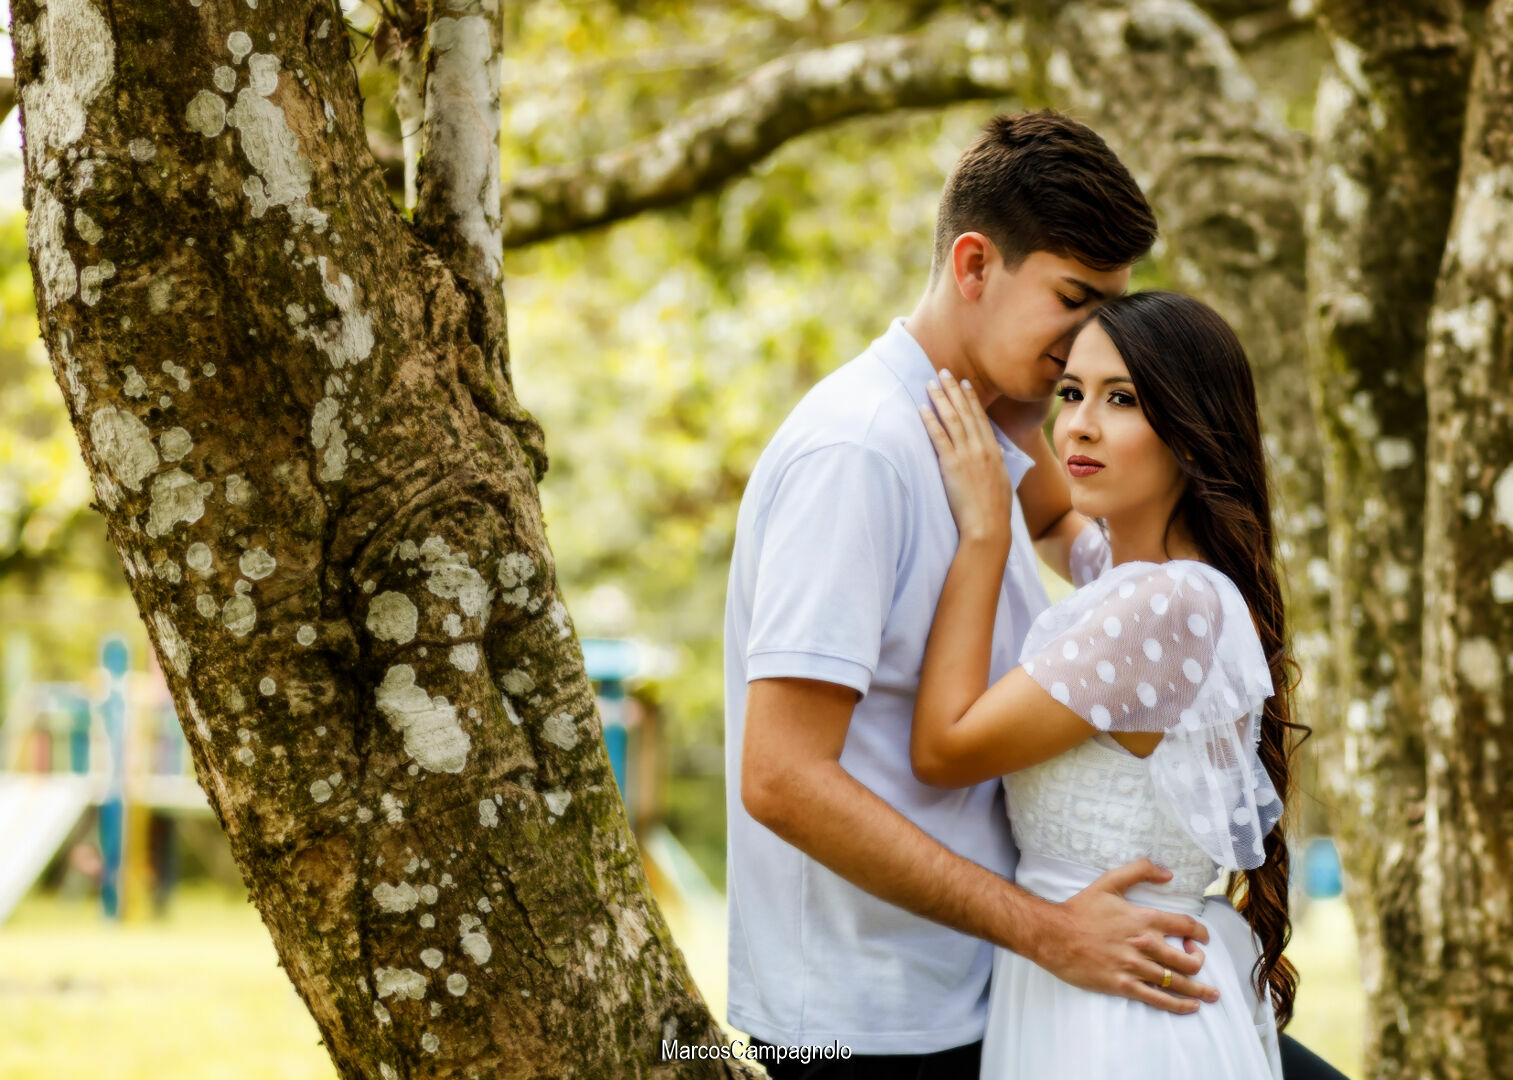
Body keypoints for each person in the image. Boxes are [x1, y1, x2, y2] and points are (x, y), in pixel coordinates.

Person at [724, 110, 1347, 1079]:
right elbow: (780, 777)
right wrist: (1042, 929)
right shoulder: (860, 452)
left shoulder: (990, 436)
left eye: (1111, 318)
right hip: (881, 1022)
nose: (1090, 335)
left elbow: (1081, 537)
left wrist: (1047, 425)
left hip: (1001, 984)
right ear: (974, 265)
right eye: (1072, 298)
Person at [914, 290, 1297, 1078]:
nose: (1078, 426)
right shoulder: (1147, 577)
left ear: (1190, 429)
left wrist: (983, 534)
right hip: (1092, 982)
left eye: (1120, 399)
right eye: (1069, 393)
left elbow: (943, 749)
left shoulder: (1163, 607)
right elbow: (1055, 525)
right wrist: (995, 364)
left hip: (1120, 1020)